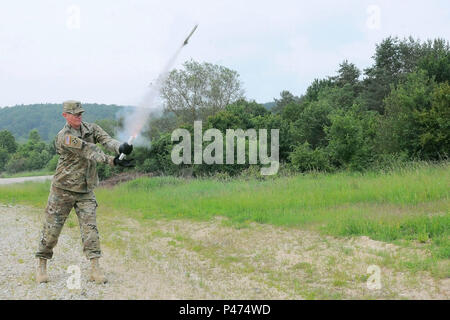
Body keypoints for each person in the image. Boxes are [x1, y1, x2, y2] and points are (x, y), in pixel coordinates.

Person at [35, 100, 134, 284]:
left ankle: (95, 269)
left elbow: (107, 140)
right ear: (65, 115)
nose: (79, 116)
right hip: (62, 190)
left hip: (85, 190)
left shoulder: (92, 128)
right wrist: (112, 161)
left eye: (80, 113)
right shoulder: (64, 137)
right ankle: (41, 264)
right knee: (51, 231)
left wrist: (121, 147)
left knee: (91, 231)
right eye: (75, 114)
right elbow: (88, 150)